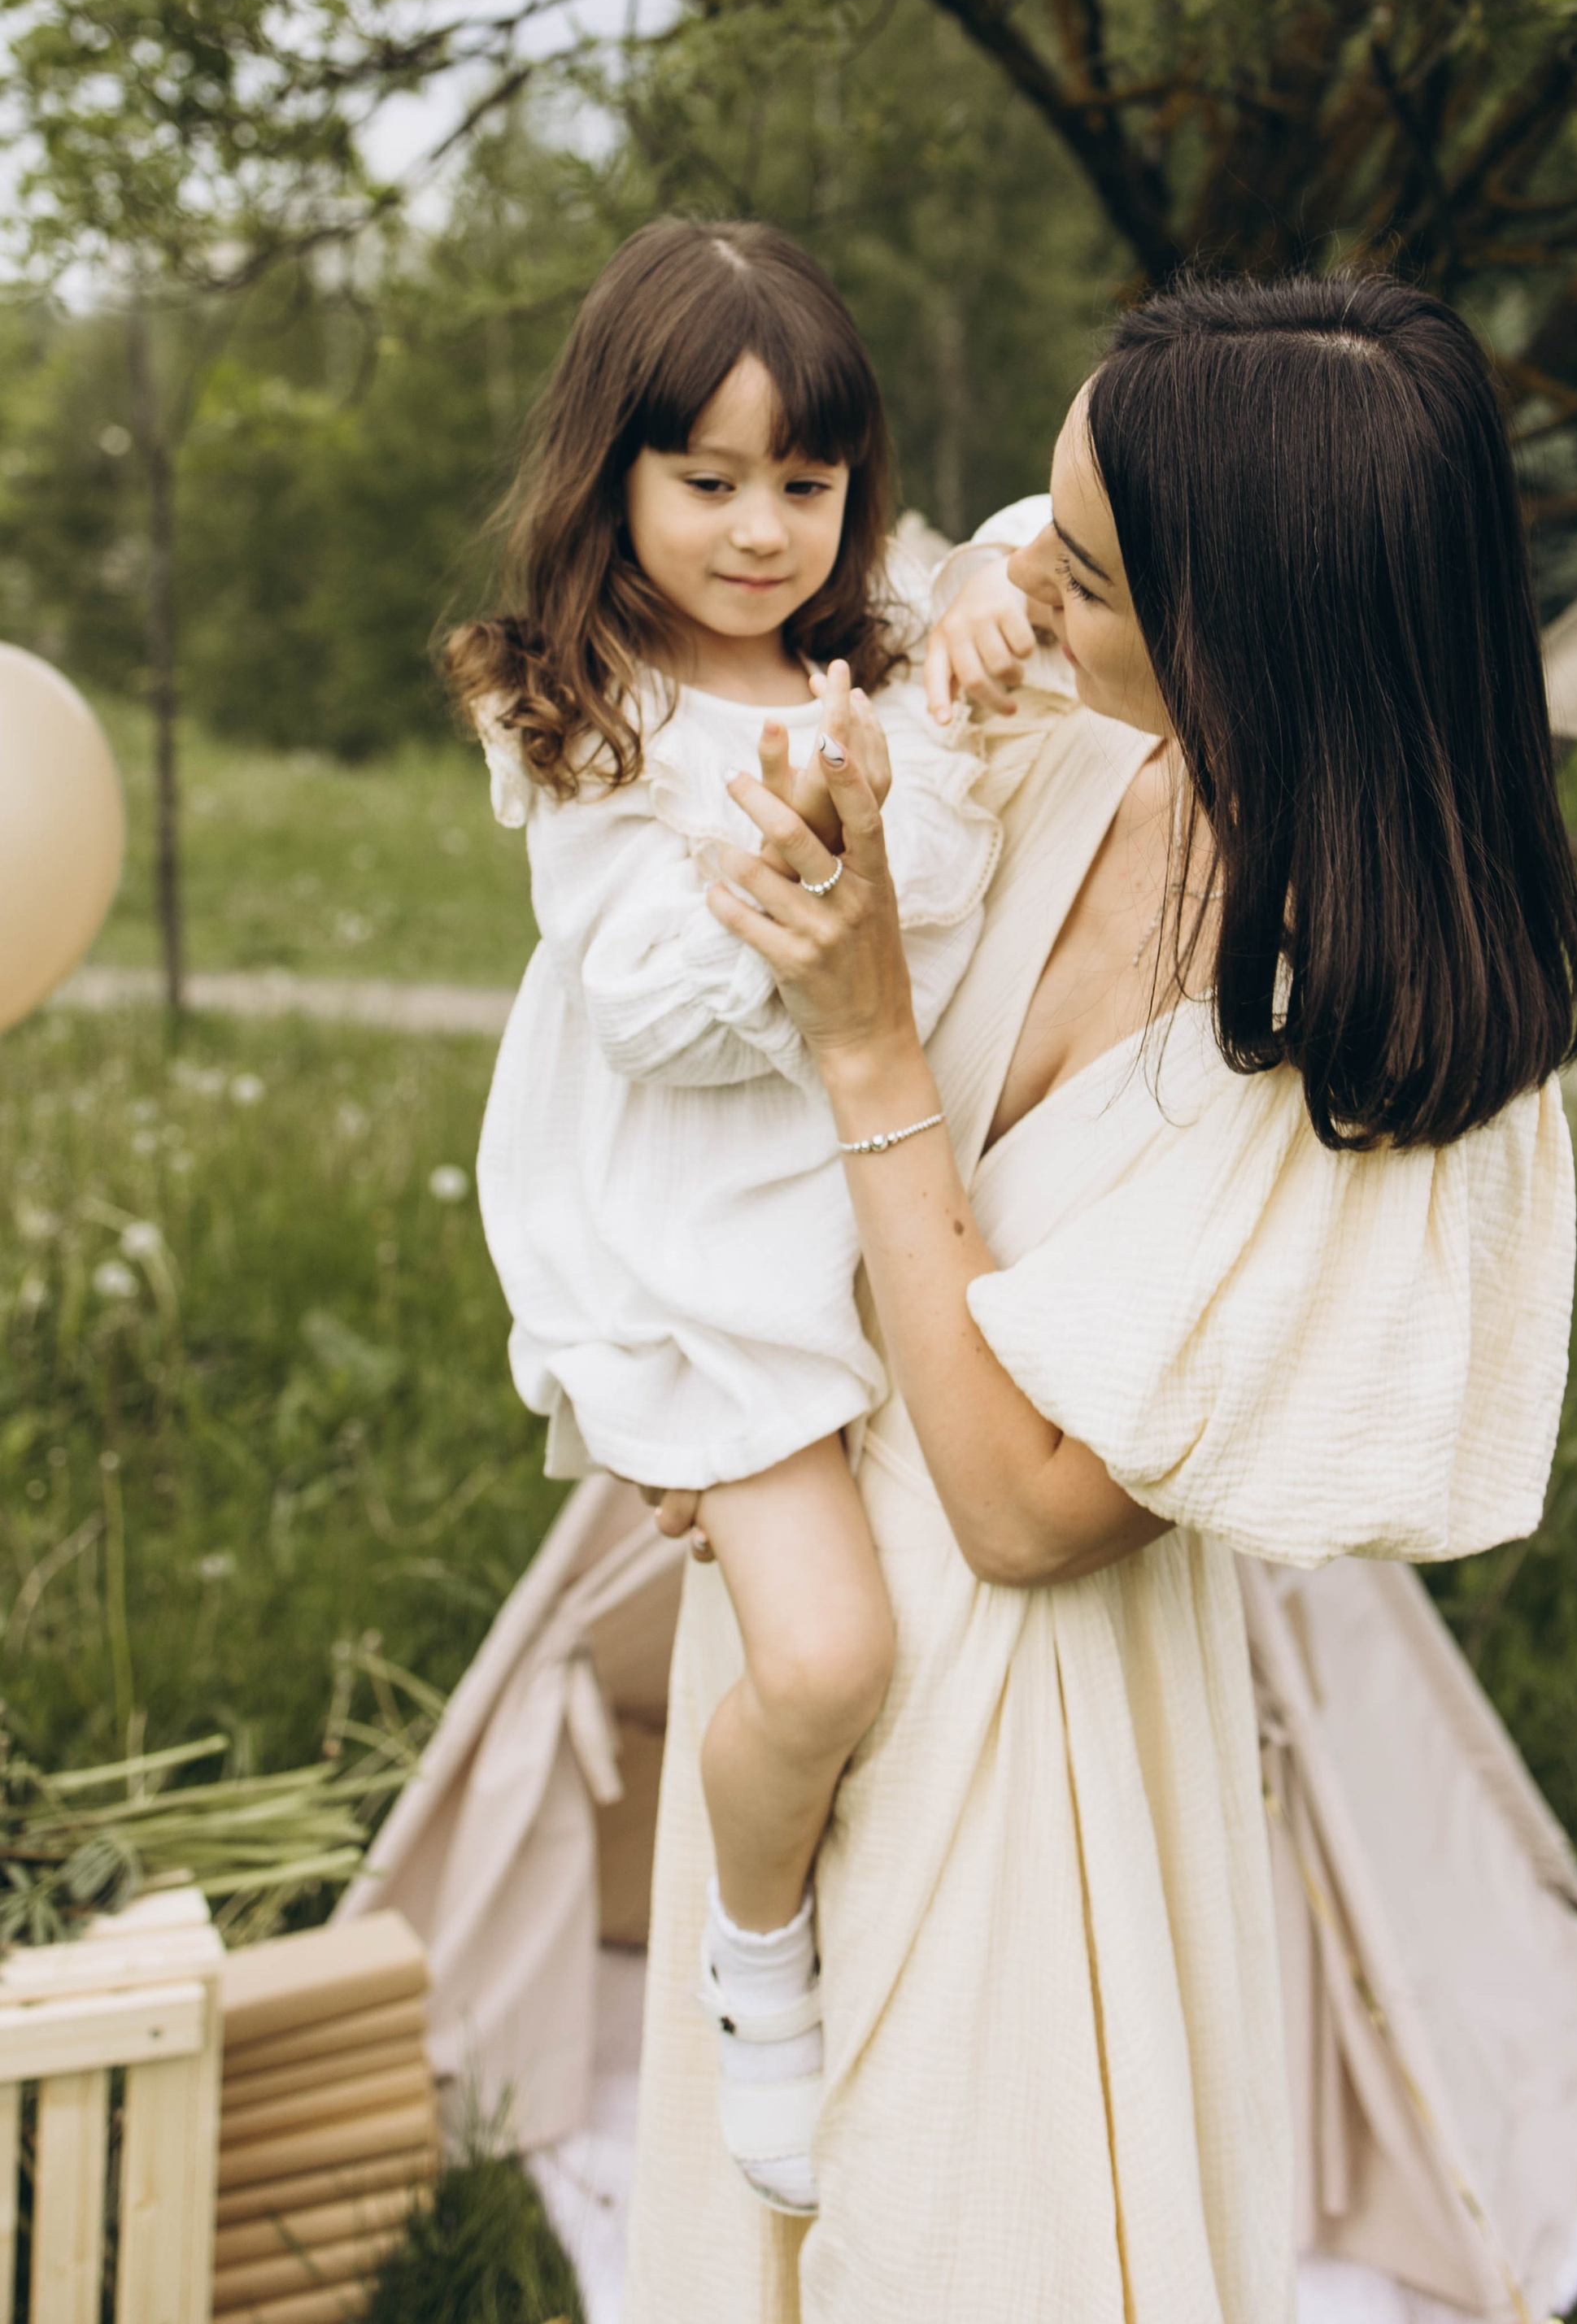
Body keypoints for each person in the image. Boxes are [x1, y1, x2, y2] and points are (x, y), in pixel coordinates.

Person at [625, 268, 1577, 2320]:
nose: (1007, 581)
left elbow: (1032, 1513)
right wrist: (702, 1399)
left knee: (968, 2245)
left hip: (1026, 1746)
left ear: (1240, 621)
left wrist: (873, 1042)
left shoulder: (1382, 1025)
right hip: (801, 1622)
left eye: (1074, 567)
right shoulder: (1051, 736)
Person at [446, 218, 1002, 2215]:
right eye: (707, 480)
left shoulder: (879, 674)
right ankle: (751, 1949)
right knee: (834, 1657)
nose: (761, 529)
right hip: (719, 1261)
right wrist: (812, 822)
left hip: (894, 1223)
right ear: (614, 474)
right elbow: (659, 1020)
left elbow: (943, 887)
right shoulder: (585, 715)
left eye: (805, 483)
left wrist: (950, 676)